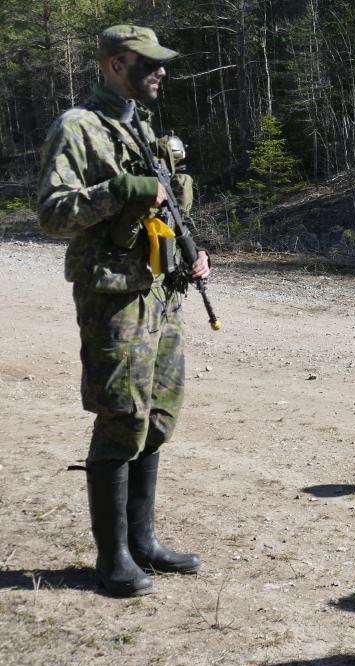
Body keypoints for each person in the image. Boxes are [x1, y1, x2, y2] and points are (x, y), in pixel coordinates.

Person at [37, 25, 209, 597]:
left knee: (158, 414)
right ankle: (112, 559)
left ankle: (144, 542)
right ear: (115, 65)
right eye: (148, 63)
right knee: (121, 417)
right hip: (112, 295)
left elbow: (163, 204)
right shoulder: (78, 126)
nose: (160, 72)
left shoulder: (140, 124)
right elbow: (54, 213)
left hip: (159, 291)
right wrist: (121, 190)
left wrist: (190, 255)